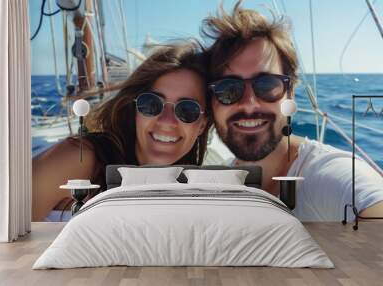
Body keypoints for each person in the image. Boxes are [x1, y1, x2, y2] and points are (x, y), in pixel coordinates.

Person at [202, 1, 383, 221]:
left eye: (267, 85)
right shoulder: (218, 187)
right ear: (211, 102)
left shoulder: (329, 177)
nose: (249, 104)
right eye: (228, 89)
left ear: (291, 92)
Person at [32, 42, 212, 221]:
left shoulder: (193, 193)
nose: (166, 121)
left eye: (188, 110)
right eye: (151, 104)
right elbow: (6, 230)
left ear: (202, 125)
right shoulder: (82, 158)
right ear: (134, 109)